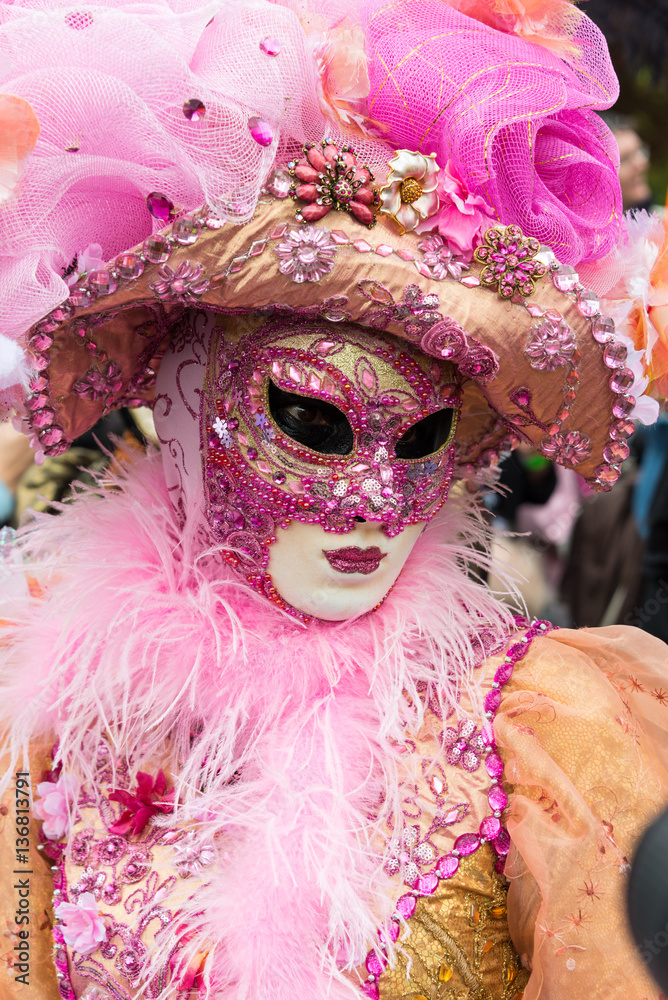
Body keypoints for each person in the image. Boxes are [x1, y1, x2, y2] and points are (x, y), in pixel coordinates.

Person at [1, 2, 668, 999]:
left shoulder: (537, 733)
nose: (373, 501)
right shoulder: (46, 714)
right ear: (184, 404)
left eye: (420, 438)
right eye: (311, 420)